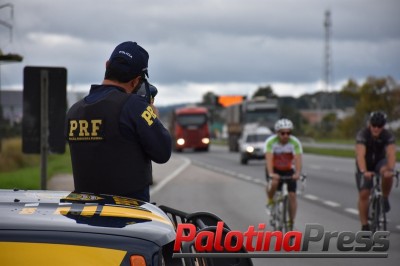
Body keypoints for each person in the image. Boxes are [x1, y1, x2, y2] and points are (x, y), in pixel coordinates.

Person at [66, 41, 172, 202]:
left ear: (107, 65)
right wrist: (152, 115)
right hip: (128, 217)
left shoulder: (74, 111)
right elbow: (163, 152)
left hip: (84, 216)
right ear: (136, 81)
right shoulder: (135, 107)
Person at [355, 111, 396, 231]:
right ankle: (364, 225)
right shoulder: (363, 134)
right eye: (374, 125)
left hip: (380, 162)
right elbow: (360, 155)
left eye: (380, 126)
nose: (376, 128)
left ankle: (385, 198)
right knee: (364, 194)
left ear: (384, 126)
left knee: (387, 174)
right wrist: (364, 171)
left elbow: (391, 154)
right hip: (365, 163)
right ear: (370, 124)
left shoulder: (388, 135)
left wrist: (391, 169)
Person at [264, 118, 303, 230]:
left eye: (288, 133)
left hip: (288, 169)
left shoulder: (295, 142)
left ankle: (291, 222)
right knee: (274, 182)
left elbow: (298, 159)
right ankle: (271, 201)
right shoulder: (271, 142)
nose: (286, 135)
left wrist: (297, 173)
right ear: (277, 133)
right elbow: (269, 159)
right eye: (283, 133)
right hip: (274, 168)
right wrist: (271, 173)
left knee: (292, 195)